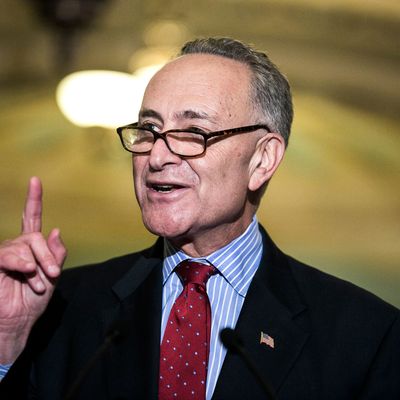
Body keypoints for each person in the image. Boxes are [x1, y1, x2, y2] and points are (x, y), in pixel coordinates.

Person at [0, 37, 399, 400]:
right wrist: (6, 345)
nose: (156, 156)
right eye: (149, 128)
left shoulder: (367, 334)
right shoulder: (63, 309)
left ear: (262, 160)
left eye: (193, 132)